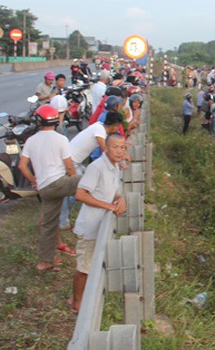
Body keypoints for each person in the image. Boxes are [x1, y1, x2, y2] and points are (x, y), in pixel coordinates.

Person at [69, 133, 127, 312]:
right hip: (90, 227)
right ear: (106, 148)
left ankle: (81, 298)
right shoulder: (97, 167)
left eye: (122, 147)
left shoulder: (114, 166)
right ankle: (76, 304)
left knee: (91, 265)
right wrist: (109, 206)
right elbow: (81, 194)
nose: (119, 151)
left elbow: (114, 191)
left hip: (100, 225)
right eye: (115, 147)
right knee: (84, 268)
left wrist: (120, 199)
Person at [18, 105, 78, 272]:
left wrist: (34, 181)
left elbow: (22, 166)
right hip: (59, 183)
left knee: (48, 224)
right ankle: (110, 200)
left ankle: (45, 261)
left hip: (44, 188)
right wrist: (77, 185)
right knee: (89, 179)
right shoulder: (61, 139)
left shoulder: (31, 140)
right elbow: (70, 168)